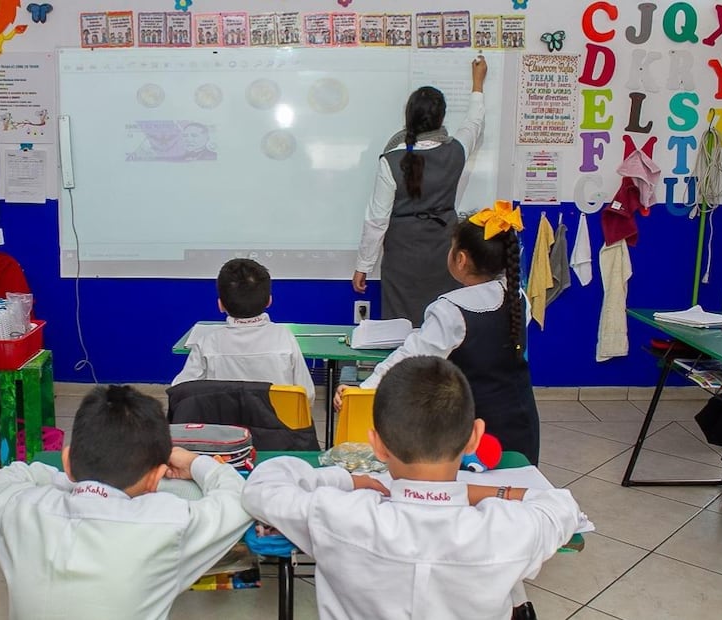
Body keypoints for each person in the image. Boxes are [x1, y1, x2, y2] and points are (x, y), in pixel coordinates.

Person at [244, 356, 581, 620]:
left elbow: (263, 485)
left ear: (376, 444)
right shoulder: (507, 531)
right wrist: (483, 493)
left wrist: (346, 479)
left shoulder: (337, 514)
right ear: (474, 438)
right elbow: (561, 506)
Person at [0, 385, 252, 619]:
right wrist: (194, 463)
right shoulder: (168, 522)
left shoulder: (22, 508)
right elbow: (237, 497)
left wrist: (74, 481)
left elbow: (6, 477)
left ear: (67, 460)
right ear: (155, 478)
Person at [338, 201, 540, 464]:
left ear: (461, 259)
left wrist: (362, 390)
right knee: (511, 489)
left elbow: (409, 359)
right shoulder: (518, 296)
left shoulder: (451, 309)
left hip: (472, 428)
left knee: (470, 496)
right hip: (521, 419)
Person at [352, 57, 487, 327]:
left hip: (402, 256)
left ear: (408, 117)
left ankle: (405, 370)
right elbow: (474, 122)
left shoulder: (390, 159)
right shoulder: (455, 151)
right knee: (443, 324)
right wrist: (477, 83)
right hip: (444, 251)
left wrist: (363, 266)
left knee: (400, 329)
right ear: (441, 118)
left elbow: (376, 219)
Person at [172, 258, 315, 404]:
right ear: (269, 301)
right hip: (279, 425)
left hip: (224, 425)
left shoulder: (208, 343)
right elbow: (306, 394)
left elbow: (179, 391)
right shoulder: (284, 337)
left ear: (220, 305)